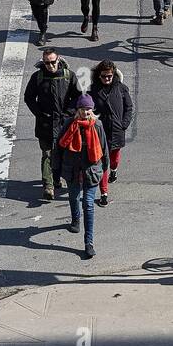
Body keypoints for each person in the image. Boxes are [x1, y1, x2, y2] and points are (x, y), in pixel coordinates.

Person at [54, 94, 108, 258]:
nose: (86, 112)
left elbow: (104, 150)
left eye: (88, 109)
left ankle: (88, 242)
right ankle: (75, 220)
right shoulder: (70, 124)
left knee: (89, 205)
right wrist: (56, 170)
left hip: (90, 173)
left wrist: (104, 170)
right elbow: (59, 148)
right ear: (78, 110)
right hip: (72, 172)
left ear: (92, 110)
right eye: (83, 109)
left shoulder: (97, 125)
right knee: (73, 197)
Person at [23, 47, 80, 201]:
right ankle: (48, 186)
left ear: (58, 59)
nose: (50, 65)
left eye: (52, 62)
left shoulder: (69, 76)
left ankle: (57, 179)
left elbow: (77, 97)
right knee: (47, 154)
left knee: (63, 154)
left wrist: (68, 113)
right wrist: (39, 114)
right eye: (47, 63)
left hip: (64, 124)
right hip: (45, 124)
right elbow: (29, 97)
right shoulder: (38, 77)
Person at [89, 60, 133, 205]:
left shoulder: (121, 88)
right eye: (104, 76)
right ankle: (104, 193)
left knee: (113, 159)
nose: (107, 79)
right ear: (98, 76)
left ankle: (114, 171)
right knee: (103, 163)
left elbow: (129, 108)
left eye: (109, 76)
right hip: (100, 133)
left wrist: (123, 125)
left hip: (117, 131)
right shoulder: (93, 90)